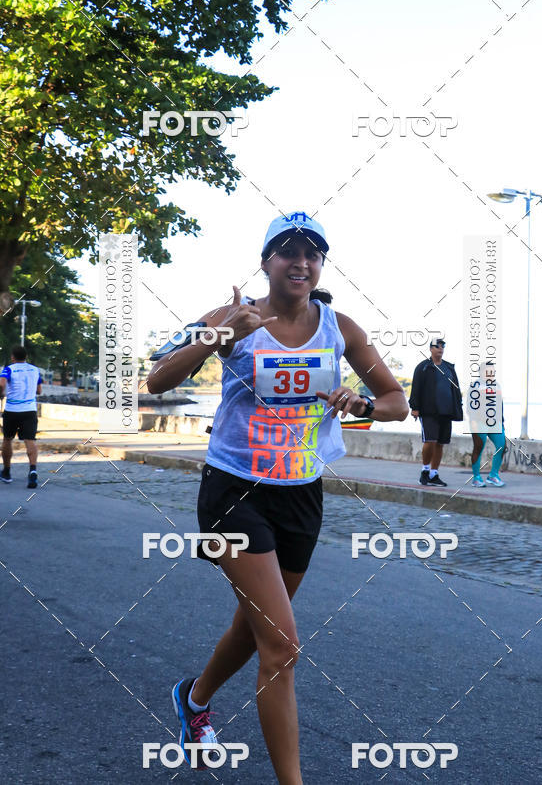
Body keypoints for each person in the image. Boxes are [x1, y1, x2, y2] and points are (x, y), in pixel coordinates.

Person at [147, 211, 409, 782]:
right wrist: (221, 336)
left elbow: (397, 402)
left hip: (301, 493)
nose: (301, 262)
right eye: (289, 251)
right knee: (283, 646)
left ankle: (194, 699)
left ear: (322, 264)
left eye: (313, 253)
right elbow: (158, 380)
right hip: (234, 492)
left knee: (257, 625)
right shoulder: (231, 317)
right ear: (266, 261)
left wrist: (361, 404)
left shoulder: (340, 327)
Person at [409, 338, 463, 487]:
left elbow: (456, 388)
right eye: (437, 346)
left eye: (442, 346)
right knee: (430, 441)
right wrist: (414, 407)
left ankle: (434, 474)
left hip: (447, 411)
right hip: (428, 411)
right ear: (431, 349)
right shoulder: (423, 367)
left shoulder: (449, 367)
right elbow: (416, 388)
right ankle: (425, 471)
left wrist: (458, 406)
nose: (440, 349)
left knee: (440, 443)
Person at [0, 345, 42, 487]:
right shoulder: (35, 370)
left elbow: (1, 384)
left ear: (12, 357)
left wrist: (1, 393)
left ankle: (6, 472)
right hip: (29, 410)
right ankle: (33, 471)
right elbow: (39, 390)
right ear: (26, 357)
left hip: (12, 410)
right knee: (30, 440)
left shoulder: (8, 369)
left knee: (7, 439)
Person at [470, 375, 506, 487]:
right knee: (478, 448)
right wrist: (473, 422)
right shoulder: (475, 385)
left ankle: (493, 475)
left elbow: (500, 404)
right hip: (479, 423)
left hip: (495, 423)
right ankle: (476, 478)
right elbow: (470, 406)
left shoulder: (497, 385)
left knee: (502, 446)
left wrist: (502, 422)